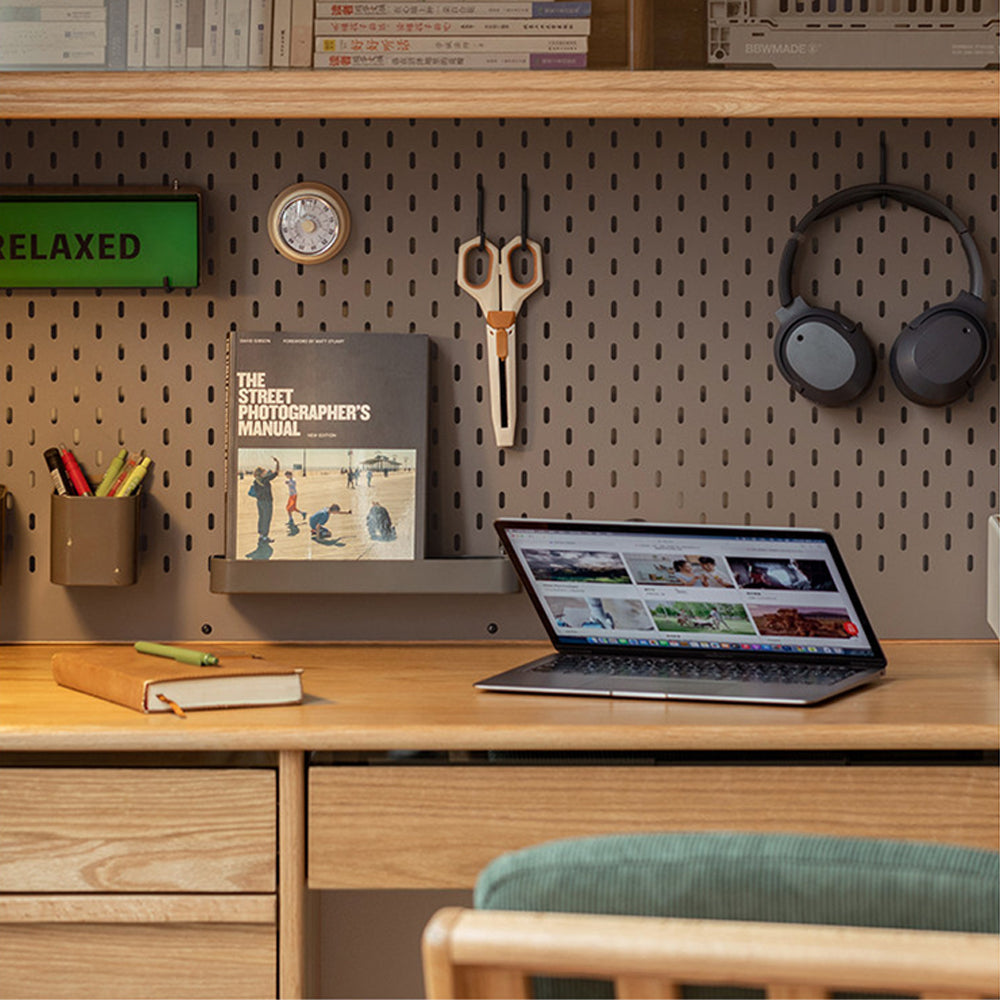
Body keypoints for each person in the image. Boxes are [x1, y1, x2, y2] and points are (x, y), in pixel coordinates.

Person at [251, 457, 280, 544]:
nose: (265, 472)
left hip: (260, 502)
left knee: (261, 518)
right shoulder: (265, 480)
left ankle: (261, 535)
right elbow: (276, 473)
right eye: (264, 472)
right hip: (267, 502)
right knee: (267, 519)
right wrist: (277, 462)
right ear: (261, 473)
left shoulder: (256, 481)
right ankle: (265, 537)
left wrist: (268, 473)